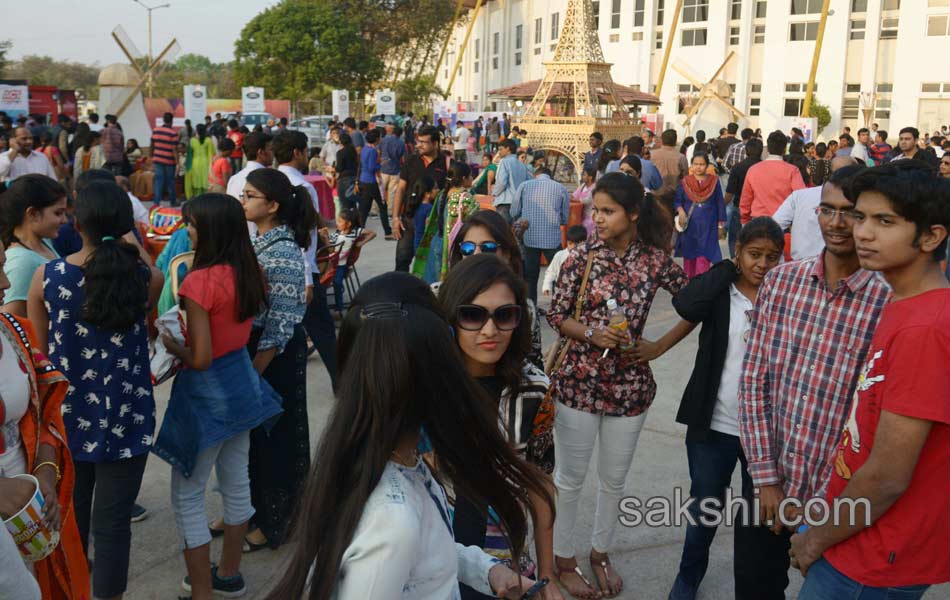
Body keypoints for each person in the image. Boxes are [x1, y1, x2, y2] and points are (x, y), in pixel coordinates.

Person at [263, 271, 551, 600]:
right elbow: (403, 541)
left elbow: (427, 551)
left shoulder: (395, 462)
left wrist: (487, 569)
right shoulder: (393, 521)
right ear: (436, 379)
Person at [791, 164, 950, 600]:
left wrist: (815, 539)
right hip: (857, 533)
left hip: (875, 557)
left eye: (885, 221)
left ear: (932, 237)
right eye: (861, 217)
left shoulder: (927, 328)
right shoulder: (904, 303)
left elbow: (888, 475)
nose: (862, 232)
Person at [736, 165, 891, 600]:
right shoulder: (782, 282)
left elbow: (873, 421)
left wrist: (820, 505)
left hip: (838, 501)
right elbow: (754, 382)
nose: (837, 224)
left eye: (852, 213)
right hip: (766, 481)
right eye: (827, 210)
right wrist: (766, 480)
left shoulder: (889, 301)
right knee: (753, 588)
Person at [547, 172, 686, 598]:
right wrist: (590, 333)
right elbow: (556, 313)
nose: (598, 219)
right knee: (569, 479)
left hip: (630, 387)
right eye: (595, 211)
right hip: (578, 385)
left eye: (607, 211)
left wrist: (658, 346)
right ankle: (563, 558)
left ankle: (600, 551)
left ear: (633, 214)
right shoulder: (580, 257)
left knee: (614, 480)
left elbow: (696, 300)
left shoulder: (656, 261)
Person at [631, 218, 786, 600]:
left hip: (766, 432)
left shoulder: (787, 296)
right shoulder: (720, 289)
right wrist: (726, 270)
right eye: (753, 254)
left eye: (771, 257)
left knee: (758, 518)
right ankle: (688, 575)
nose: (762, 264)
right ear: (737, 251)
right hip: (714, 424)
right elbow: (686, 306)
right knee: (705, 507)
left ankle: (753, 586)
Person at [26, 180, 162, 600]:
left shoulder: (46, 277)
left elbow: (39, 358)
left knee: (71, 519)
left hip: (67, 419)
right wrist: (130, 241)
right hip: (129, 415)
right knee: (114, 525)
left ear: (77, 222)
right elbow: (153, 276)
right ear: (124, 225)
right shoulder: (143, 278)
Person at [154, 193, 281, 600]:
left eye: (191, 224)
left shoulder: (198, 281)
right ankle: (229, 574)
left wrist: (173, 347)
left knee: (187, 495)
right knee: (236, 481)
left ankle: (202, 592)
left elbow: (202, 358)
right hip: (243, 385)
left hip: (207, 394)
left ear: (209, 230)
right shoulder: (250, 271)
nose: (186, 231)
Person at [439, 255, 561, 600]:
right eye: (473, 315)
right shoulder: (427, 386)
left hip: (505, 558)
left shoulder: (535, 390)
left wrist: (548, 572)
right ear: (451, 316)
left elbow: (539, 479)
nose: (490, 330)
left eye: (504, 315)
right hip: (435, 554)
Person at [0, 241, 91, 600]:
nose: (6, 285)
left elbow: (44, 415)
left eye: (3, 265)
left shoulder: (13, 330)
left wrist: (45, 472)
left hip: (27, 510)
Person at [239, 168, 317, 551]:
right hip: (261, 354)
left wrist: (253, 374)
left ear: (271, 205)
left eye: (250, 195)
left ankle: (275, 521)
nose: (243, 200)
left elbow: (281, 324)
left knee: (276, 439)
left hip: (275, 358)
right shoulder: (263, 242)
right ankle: (251, 512)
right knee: (255, 441)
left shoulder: (283, 252)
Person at [449, 211, 544, 368]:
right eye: (468, 248)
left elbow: (531, 360)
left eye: (488, 248)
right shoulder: (438, 296)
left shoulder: (525, 308)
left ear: (506, 254)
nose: (476, 254)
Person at [0, 175, 67, 316]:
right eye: (58, 213)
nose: (64, 220)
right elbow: (12, 322)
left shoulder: (44, 242)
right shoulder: (22, 263)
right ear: (33, 214)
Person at [773, 158, 859, 261]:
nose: (836, 223)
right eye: (826, 211)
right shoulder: (799, 196)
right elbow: (772, 227)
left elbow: (774, 226)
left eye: (848, 212)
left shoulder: (800, 196)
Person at [391, 125, 449, 272]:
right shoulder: (411, 160)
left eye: (424, 142)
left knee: (430, 263)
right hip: (409, 219)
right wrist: (395, 218)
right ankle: (401, 294)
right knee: (402, 259)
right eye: (418, 141)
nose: (419, 145)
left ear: (435, 144)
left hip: (433, 223)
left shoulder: (446, 163)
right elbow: (401, 189)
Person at [512, 166, 570, 303]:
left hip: (530, 238)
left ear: (535, 175)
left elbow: (514, 212)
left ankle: (532, 308)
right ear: (550, 176)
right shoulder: (561, 188)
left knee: (531, 276)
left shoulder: (525, 185)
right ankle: (560, 305)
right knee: (559, 274)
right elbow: (565, 218)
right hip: (553, 239)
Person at [414, 161, 477, 283]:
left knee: (434, 286)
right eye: (470, 176)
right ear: (464, 178)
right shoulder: (466, 198)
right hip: (452, 248)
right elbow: (475, 223)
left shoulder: (442, 194)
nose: (472, 178)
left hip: (437, 242)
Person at [674, 153, 727, 278]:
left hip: (708, 226)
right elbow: (677, 201)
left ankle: (701, 283)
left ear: (707, 165)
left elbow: (720, 202)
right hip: (690, 225)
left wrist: (721, 226)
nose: (699, 167)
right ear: (691, 166)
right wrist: (681, 211)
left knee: (704, 256)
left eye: (702, 164)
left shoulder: (714, 182)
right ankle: (690, 283)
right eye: (696, 164)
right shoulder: (685, 182)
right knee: (690, 257)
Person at [740, 131, 806, 224]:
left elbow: (746, 199)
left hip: (758, 221)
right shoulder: (792, 171)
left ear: (767, 149)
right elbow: (801, 197)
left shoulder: (753, 170)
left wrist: (744, 219)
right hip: (783, 222)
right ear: (784, 149)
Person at [329, 208, 374, 311]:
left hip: (340, 264)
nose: (337, 223)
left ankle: (339, 307)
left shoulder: (355, 231)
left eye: (340, 221)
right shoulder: (337, 233)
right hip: (331, 263)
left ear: (348, 224)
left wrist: (361, 243)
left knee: (337, 282)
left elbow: (372, 233)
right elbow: (330, 248)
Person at [357, 129, 392, 238]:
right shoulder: (373, 151)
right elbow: (372, 167)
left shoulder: (364, 149)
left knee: (365, 207)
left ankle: (359, 229)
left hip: (364, 180)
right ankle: (387, 231)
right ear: (377, 139)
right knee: (382, 206)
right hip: (371, 181)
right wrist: (382, 163)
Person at [226, 131, 273, 203]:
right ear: (261, 152)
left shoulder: (234, 179)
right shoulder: (268, 178)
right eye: (271, 149)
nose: (273, 153)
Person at [543, 225, 587, 299]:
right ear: (566, 242)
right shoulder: (560, 255)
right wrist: (546, 286)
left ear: (584, 243)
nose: (573, 247)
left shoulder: (586, 257)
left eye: (576, 244)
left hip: (579, 292)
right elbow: (551, 272)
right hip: (560, 291)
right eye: (570, 243)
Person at [492, 139, 530, 223]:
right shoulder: (522, 165)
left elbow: (501, 182)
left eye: (501, 149)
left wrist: (494, 193)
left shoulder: (504, 162)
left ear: (508, 149)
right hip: (518, 203)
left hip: (505, 202)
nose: (499, 152)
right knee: (515, 233)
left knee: (502, 232)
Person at [650, 129, 689, 201]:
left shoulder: (651, 154)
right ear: (675, 141)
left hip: (655, 194)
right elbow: (685, 178)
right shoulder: (681, 157)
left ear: (662, 140)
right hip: (674, 195)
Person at [152, 113, 179, 206]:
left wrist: (151, 156)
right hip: (169, 161)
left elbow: (152, 144)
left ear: (163, 120)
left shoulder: (156, 130)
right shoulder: (173, 133)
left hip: (157, 159)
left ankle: (156, 203)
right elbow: (174, 149)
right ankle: (173, 201)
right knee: (170, 181)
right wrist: (177, 162)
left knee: (158, 181)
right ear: (172, 121)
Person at [185, 124, 215, 199]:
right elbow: (212, 154)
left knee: (196, 182)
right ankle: (205, 199)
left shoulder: (192, 140)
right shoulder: (208, 140)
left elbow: (189, 155)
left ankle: (197, 198)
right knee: (205, 181)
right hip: (206, 163)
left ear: (197, 130)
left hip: (195, 164)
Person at [379, 123, 406, 205]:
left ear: (393, 132)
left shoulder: (384, 140)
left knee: (380, 191)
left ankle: (375, 210)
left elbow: (379, 152)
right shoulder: (401, 143)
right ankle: (390, 211)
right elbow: (403, 158)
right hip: (395, 170)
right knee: (392, 193)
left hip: (383, 168)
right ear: (400, 134)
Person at [411, 176, 437, 252]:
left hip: (417, 243)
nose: (438, 190)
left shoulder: (417, 206)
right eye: (435, 188)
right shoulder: (429, 208)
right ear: (427, 194)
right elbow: (429, 230)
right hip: (425, 246)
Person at [574, 166, 596, 235]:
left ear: (590, 177)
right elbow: (575, 195)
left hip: (590, 216)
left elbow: (587, 200)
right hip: (581, 214)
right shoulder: (583, 185)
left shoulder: (595, 187)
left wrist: (575, 199)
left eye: (584, 175)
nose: (582, 176)